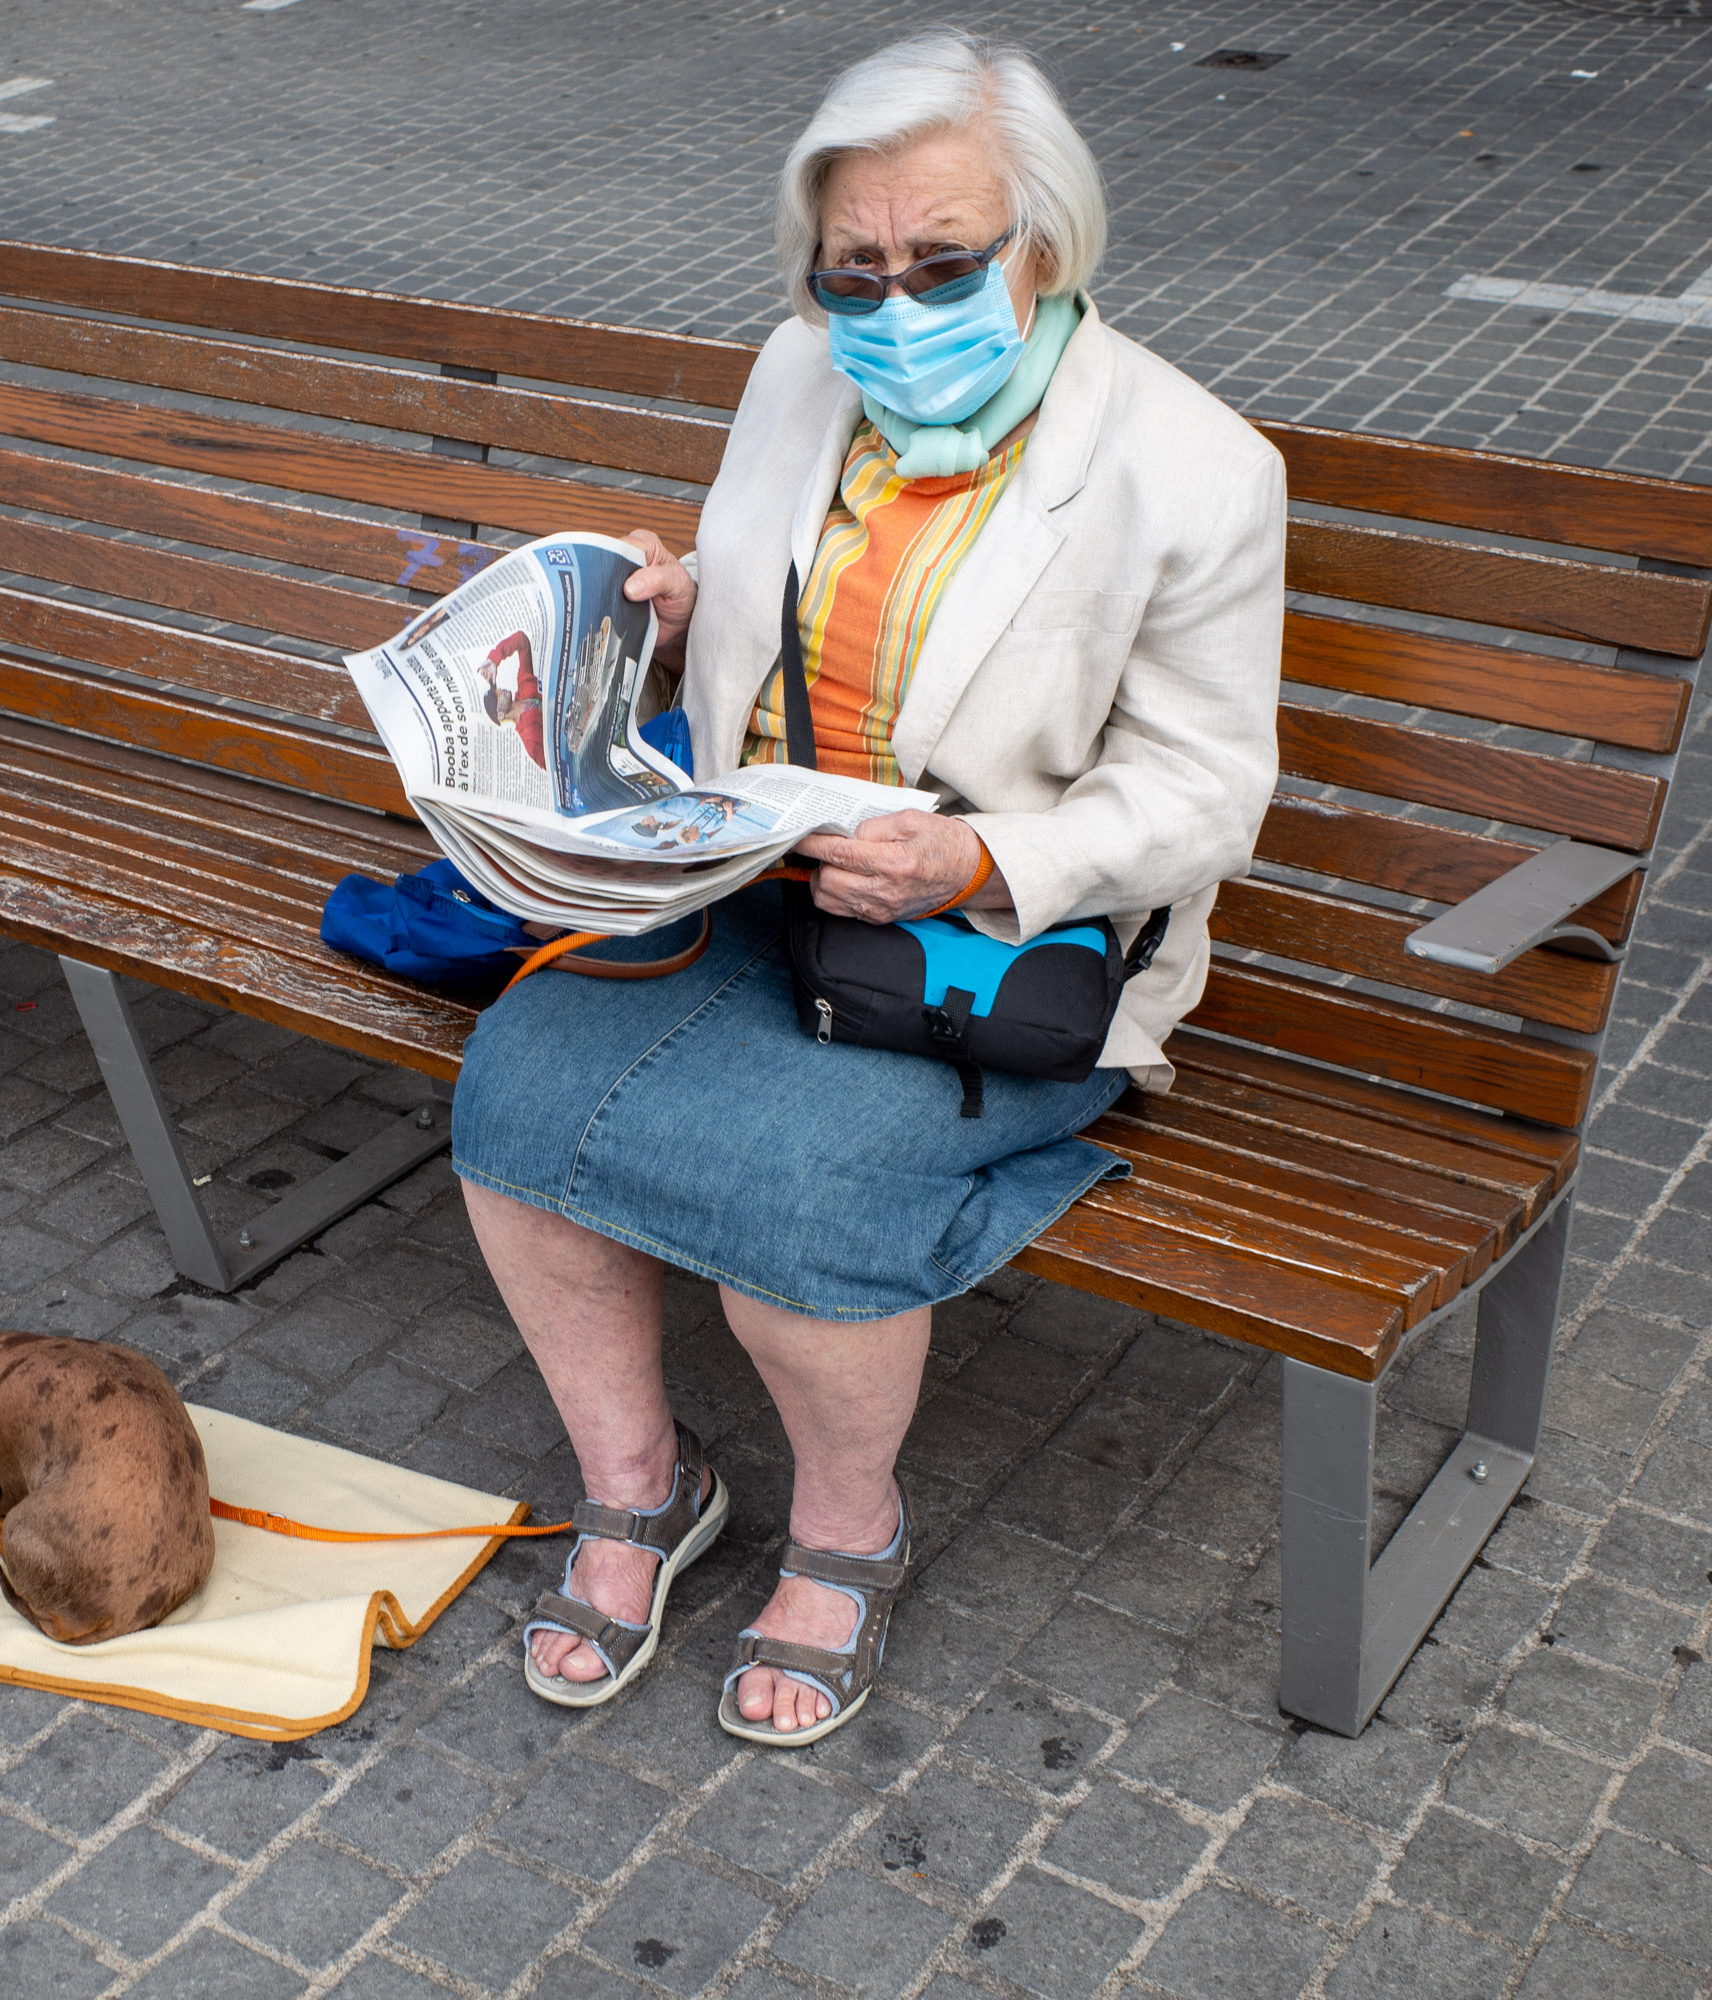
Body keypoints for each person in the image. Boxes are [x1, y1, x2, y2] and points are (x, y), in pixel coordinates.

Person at [450, 27, 1284, 1746]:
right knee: (513, 1092)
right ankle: (645, 1488)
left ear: (1044, 247)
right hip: (762, 892)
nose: (893, 313)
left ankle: (849, 1533)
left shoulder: (1195, 472)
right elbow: (775, 662)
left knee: (799, 1188)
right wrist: (676, 630)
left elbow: (1210, 791)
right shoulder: (795, 372)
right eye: (857, 271)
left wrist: (978, 853)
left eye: (942, 265)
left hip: (996, 949)